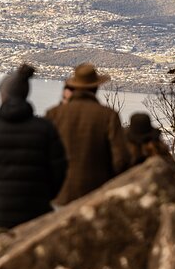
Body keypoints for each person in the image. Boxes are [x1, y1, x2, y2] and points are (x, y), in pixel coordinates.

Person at [0, 64, 67, 238]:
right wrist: (46, 196)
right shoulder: (45, 129)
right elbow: (59, 171)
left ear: (3, 95)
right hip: (37, 212)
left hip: (0, 212)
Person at [45, 63, 130, 205]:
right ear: (95, 87)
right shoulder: (108, 116)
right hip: (95, 195)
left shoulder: (54, 114)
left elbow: (42, 153)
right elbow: (121, 160)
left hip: (58, 194)